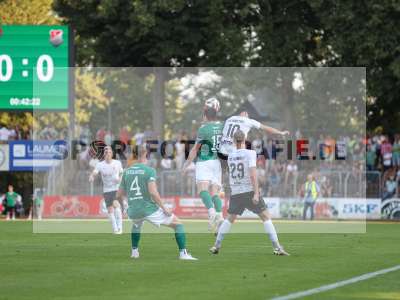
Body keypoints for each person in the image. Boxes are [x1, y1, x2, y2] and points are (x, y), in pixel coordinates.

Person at [209, 130, 289, 256]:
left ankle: (216, 245)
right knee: (266, 217)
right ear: (245, 139)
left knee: (230, 219)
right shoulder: (250, 153)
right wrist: (256, 193)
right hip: (248, 190)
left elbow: (230, 174)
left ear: (234, 141)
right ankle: (277, 247)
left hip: (236, 192)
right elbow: (252, 175)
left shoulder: (230, 156)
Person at [117, 144, 197, 260]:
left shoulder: (127, 171)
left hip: (133, 210)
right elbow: (153, 193)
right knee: (178, 224)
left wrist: (125, 207)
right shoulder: (149, 171)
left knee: (136, 224)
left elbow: (119, 195)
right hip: (148, 209)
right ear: (146, 154)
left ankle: (134, 252)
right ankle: (183, 254)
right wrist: (165, 209)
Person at [182, 98, 224, 232]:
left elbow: (195, 149)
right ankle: (220, 217)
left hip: (204, 161)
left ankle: (212, 213)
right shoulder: (223, 126)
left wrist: (186, 164)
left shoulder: (203, 129)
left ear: (206, 114)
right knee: (215, 193)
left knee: (202, 190)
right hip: (217, 161)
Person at [89, 146, 124, 234]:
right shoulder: (100, 164)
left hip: (116, 188)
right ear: (104, 154)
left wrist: (120, 179)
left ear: (112, 154)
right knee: (110, 210)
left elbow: (122, 173)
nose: (107, 154)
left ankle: (120, 228)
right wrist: (91, 176)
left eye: (109, 152)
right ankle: (115, 229)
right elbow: (95, 172)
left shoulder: (117, 163)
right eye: (105, 152)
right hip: (107, 189)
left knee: (116, 205)